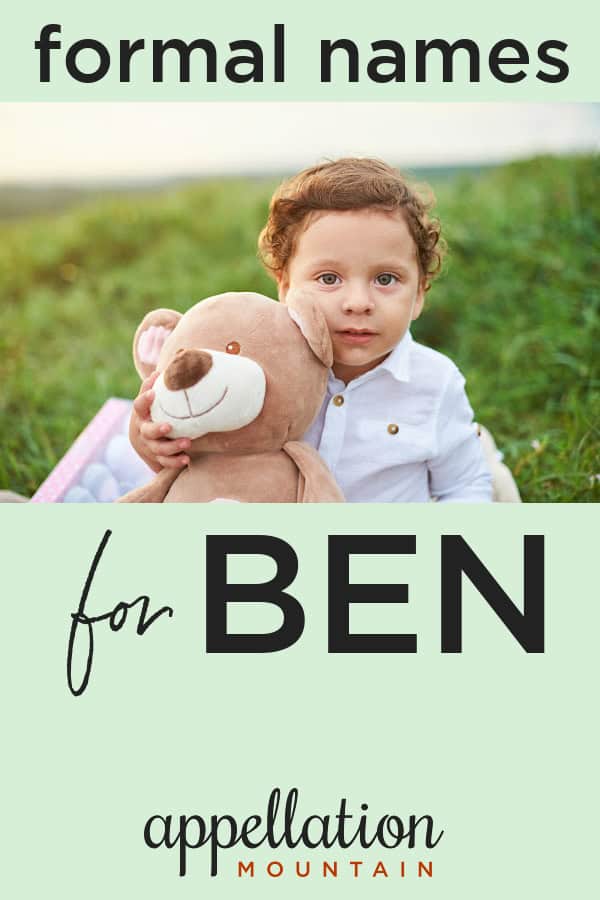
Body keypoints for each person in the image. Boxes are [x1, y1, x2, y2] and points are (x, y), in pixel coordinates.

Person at [130, 157, 511, 501]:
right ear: (285, 288)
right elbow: (206, 449)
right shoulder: (258, 371)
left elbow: (461, 486)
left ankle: (485, 449)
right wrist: (158, 444)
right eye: (329, 278)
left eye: (386, 278)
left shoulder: (435, 383)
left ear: (418, 296)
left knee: (483, 472)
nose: (358, 302)